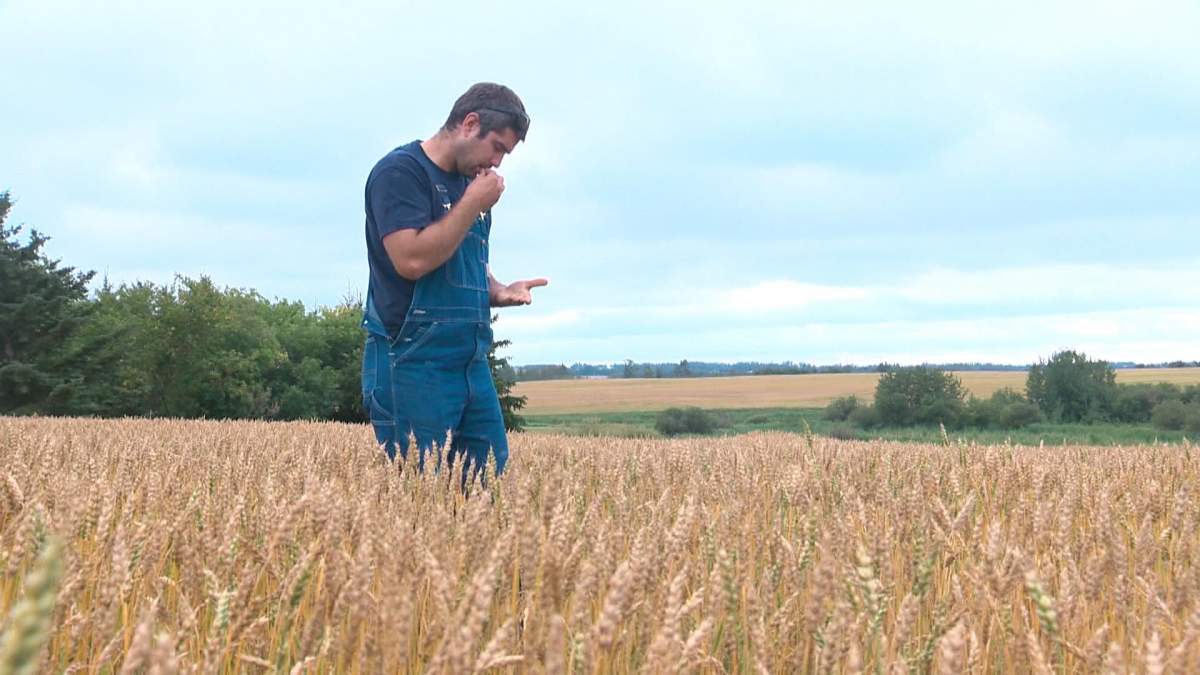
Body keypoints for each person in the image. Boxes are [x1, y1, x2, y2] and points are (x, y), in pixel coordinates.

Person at [360, 82, 547, 484]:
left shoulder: (469, 182)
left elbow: (463, 256)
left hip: (469, 359)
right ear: (470, 123)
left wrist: (496, 289)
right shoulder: (399, 173)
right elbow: (411, 259)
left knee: (487, 487)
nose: (497, 163)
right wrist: (474, 203)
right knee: (421, 496)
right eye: (496, 147)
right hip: (411, 360)